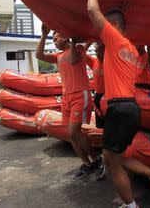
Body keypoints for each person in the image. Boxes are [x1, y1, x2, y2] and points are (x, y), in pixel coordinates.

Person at [87, 0, 150, 208]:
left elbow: (91, 10)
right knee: (117, 157)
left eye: (107, 26)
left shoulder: (114, 41)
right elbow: (115, 32)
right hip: (131, 108)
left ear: (114, 28)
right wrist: (120, 11)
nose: (101, 30)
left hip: (119, 108)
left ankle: (131, 205)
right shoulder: (131, 50)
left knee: (111, 161)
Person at [36, 26, 104, 179]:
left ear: (65, 37)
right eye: (52, 40)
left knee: (75, 131)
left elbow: (73, 59)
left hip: (80, 94)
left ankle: (97, 159)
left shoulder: (78, 48)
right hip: (66, 97)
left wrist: (72, 39)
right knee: (71, 135)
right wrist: (44, 35)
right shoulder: (57, 56)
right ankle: (88, 163)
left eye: (56, 38)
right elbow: (39, 55)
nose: (54, 42)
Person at [86, 42, 105, 129]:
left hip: (109, 96)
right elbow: (82, 53)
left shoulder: (111, 62)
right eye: (96, 51)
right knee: (100, 124)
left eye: (100, 51)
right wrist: (89, 42)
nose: (97, 54)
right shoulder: (94, 61)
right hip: (98, 96)